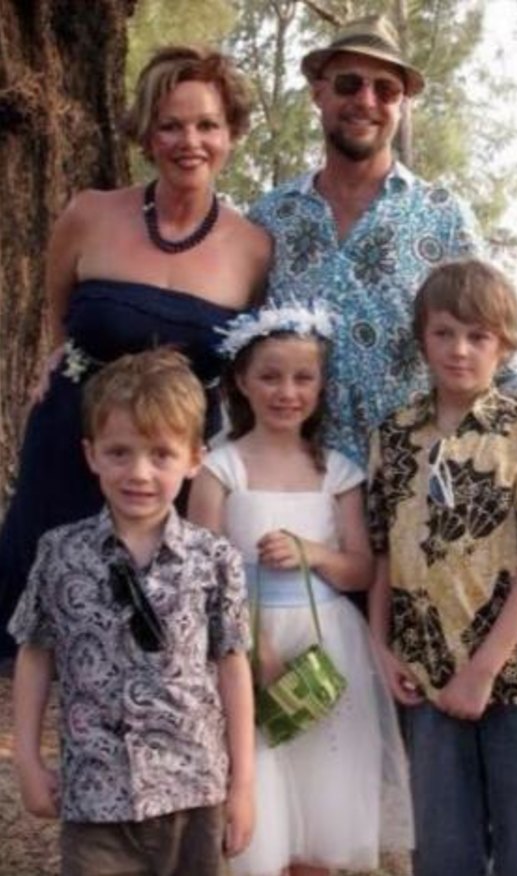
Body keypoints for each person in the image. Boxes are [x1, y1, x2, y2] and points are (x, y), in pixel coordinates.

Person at [0, 44, 271, 659]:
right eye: (170, 125)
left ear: (231, 134)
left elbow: (246, 361)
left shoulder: (255, 249)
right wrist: (58, 356)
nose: (189, 142)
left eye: (207, 125)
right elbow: (57, 309)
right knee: (43, 627)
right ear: (147, 133)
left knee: (150, 640)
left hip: (174, 462)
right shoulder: (88, 213)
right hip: (73, 440)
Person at [249, 14, 517, 476]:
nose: (366, 100)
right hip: (296, 482)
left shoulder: (444, 215)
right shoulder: (270, 217)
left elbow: (491, 342)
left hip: (414, 485)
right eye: (349, 83)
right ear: (318, 93)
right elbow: (240, 345)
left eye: (386, 89)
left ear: (402, 104)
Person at [9, 348, 255, 876]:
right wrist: (27, 759)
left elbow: (233, 666)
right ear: (91, 454)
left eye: (161, 454)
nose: (139, 473)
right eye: (119, 452)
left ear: (195, 459)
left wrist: (244, 786)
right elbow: (34, 654)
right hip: (96, 798)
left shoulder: (214, 560)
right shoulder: (60, 553)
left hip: (194, 793)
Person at [368, 259, 517, 876]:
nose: (459, 350)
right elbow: (383, 552)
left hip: (515, 679)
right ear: (422, 338)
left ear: (503, 346)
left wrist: (482, 671)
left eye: (478, 336)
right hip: (427, 678)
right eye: (444, 333)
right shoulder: (394, 436)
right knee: (443, 851)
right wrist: (381, 647)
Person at [188, 304, 413, 876]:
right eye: (270, 376)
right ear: (242, 381)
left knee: (322, 797)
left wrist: (314, 553)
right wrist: (251, 649)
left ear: (319, 386)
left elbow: (361, 570)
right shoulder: (221, 468)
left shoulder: (337, 472)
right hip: (246, 642)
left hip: (325, 645)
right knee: (261, 791)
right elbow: (201, 572)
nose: (286, 392)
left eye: (302, 378)